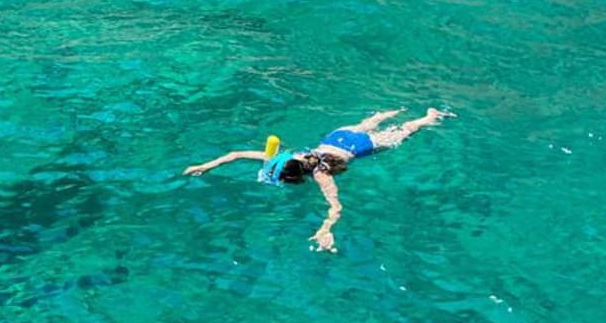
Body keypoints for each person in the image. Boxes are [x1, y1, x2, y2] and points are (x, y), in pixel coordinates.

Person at [183, 107, 456, 252]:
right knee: (369, 123)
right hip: (337, 136)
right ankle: (393, 110)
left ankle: (428, 116)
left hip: (359, 146)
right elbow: (237, 154)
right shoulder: (293, 155)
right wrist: (206, 166)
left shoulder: (322, 175)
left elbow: (336, 206)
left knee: (405, 133)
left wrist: (326, 229)